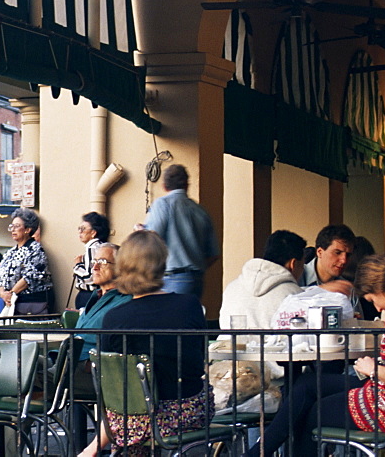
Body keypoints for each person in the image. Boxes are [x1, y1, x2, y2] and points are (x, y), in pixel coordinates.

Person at [245, 254, 385, 457]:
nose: (379, 308)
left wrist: (371, 368)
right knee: (307, 384)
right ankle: (257, 453)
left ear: (379, 290)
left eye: (372, 300)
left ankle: (258, 452)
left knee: (312, 412)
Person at [78, 230, 211, 457]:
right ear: (161, 263)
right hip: (183, 413)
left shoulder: (114, 318)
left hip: (129, 421)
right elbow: (199, 360)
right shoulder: (188, 305)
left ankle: (93, 447)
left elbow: (113, 386)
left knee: (128, 413)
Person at [143, 164, 219, 299]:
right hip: (196, 279)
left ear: (164, 186)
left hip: (171, 278)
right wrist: (194, 266)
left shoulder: (163, 204)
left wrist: (140, 231)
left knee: (169, 319)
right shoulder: (200, 211)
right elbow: (213, 254)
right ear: (186, 185)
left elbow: (152, 238)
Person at [65, 242, 131, 396]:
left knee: (24, 375)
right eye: (94, 262)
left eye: (102, 262)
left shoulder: (125, 301)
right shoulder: (95, 297)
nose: (94, 267)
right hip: (67, 362)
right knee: (18, 366)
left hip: (91, 371)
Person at [219, 229, 305, 331]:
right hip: (278, 347)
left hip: (230, 346)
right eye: (303, 264)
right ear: (293, 264)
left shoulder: (232, 288)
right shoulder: (295, 295)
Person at [0, 207, 54, 315]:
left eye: (17, 226)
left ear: (28, 229)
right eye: (11, 226)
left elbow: (30, 277)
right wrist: (2, 293)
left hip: (29, 304)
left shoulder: (36, 249)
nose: (13, 229)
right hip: (7, 302)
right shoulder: (10, 252)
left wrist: (11, 294)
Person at [71, 212, 111, 309]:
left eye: (83, 229)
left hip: (88, 295)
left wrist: (78, 265)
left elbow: (90, 277)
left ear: (93, 232)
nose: (80, 232)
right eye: (79, 229)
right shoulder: (101, 246)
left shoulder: (92, 248)